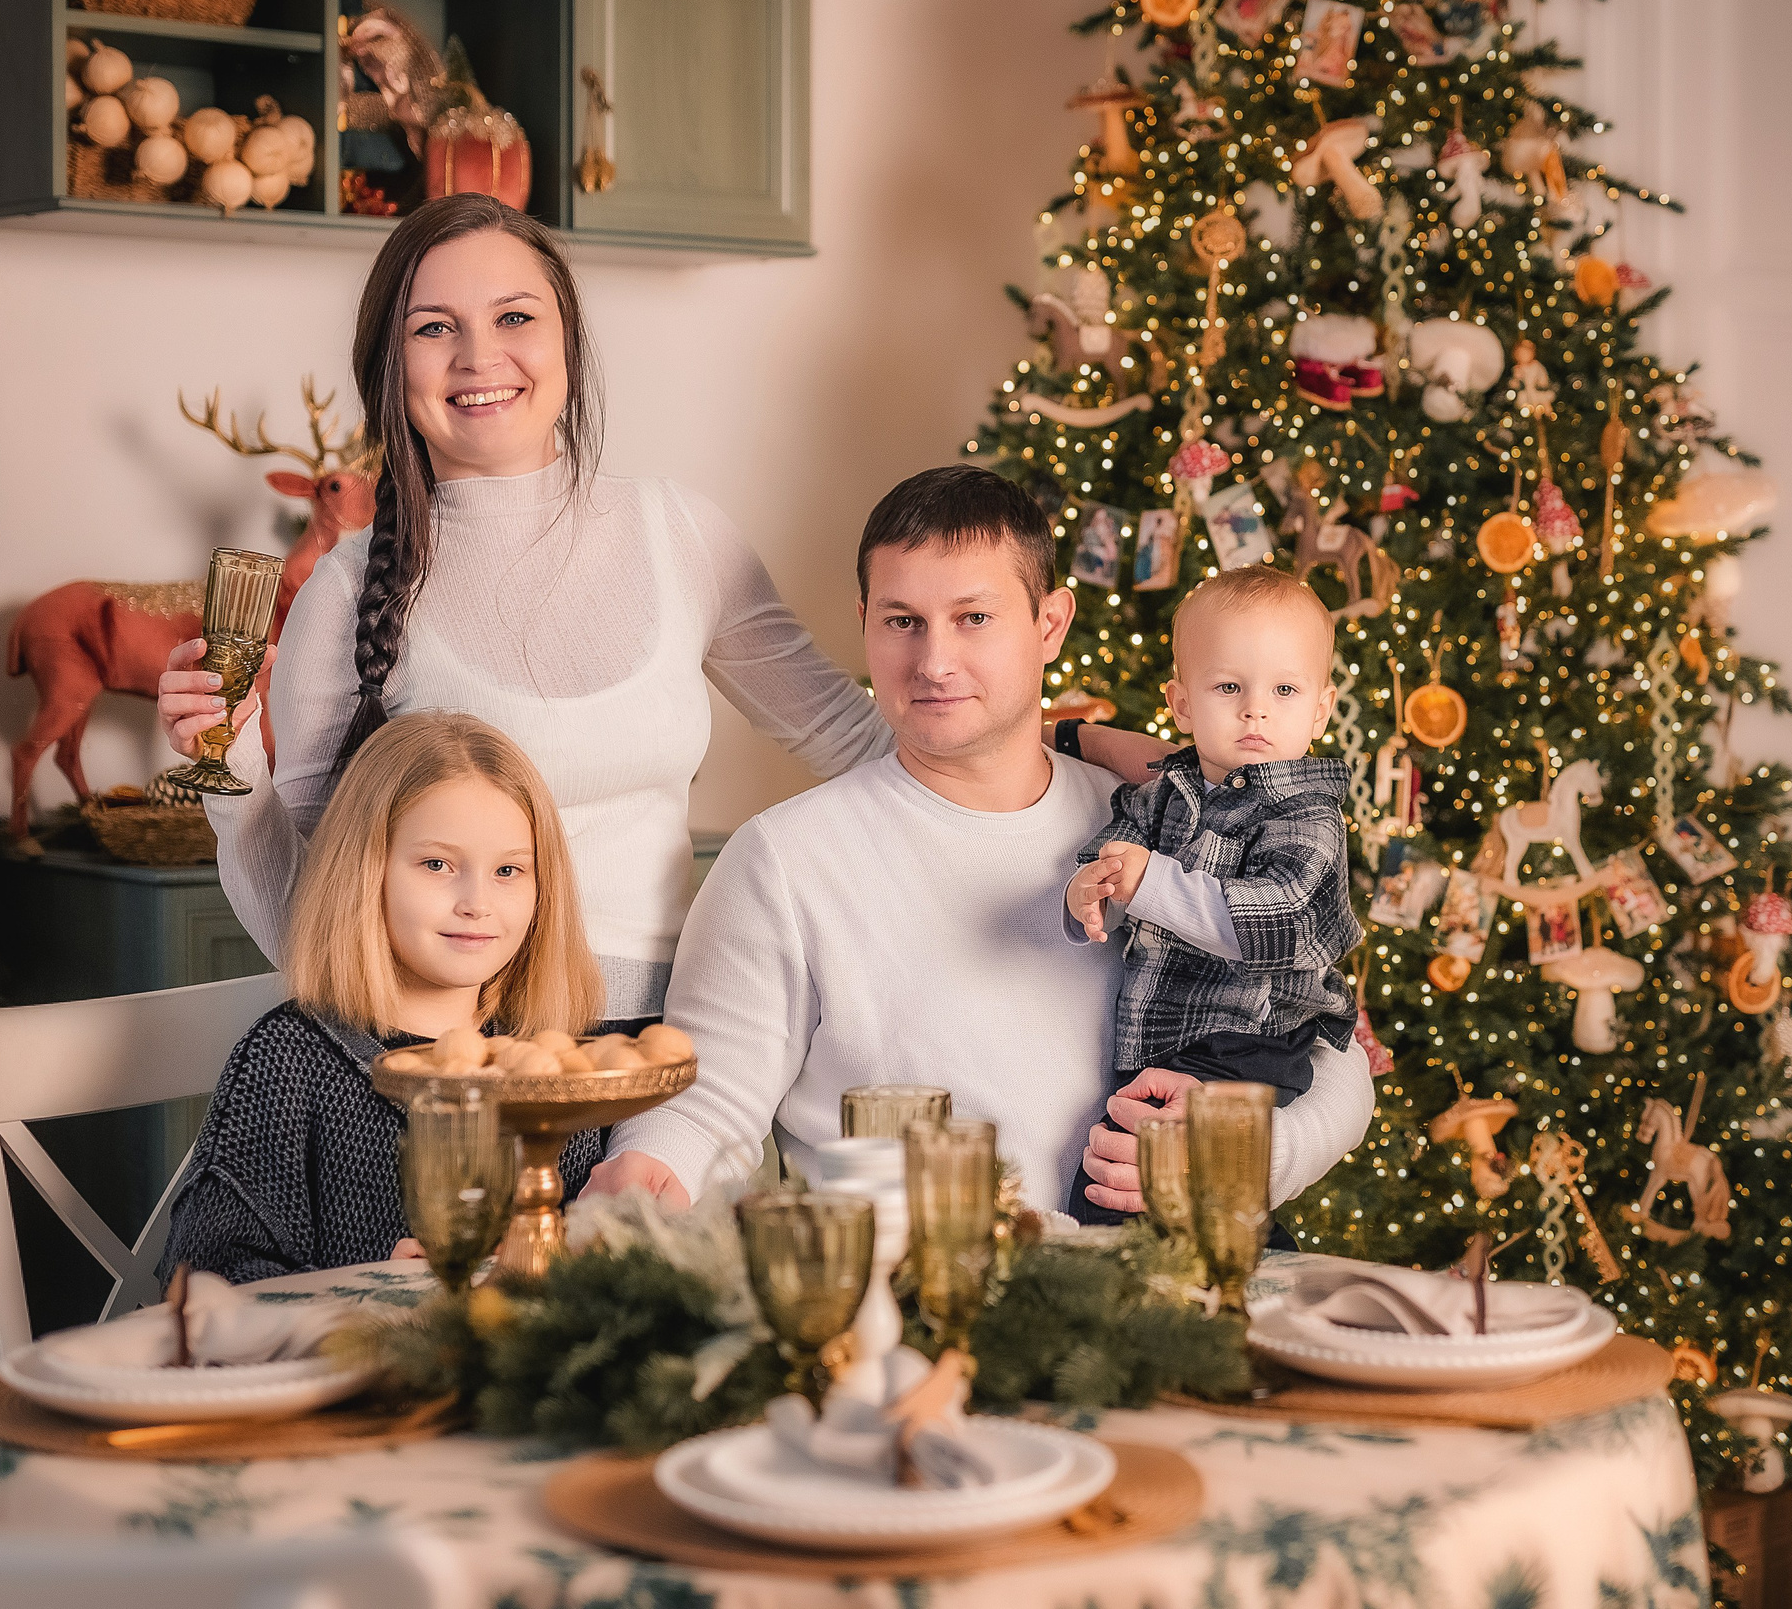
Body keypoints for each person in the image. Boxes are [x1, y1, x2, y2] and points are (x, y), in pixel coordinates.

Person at [156, 196, 1156, 1189]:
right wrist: (228, 776)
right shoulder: (346, 589)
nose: (478, 356)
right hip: (467, 1076)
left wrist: (1075, 751)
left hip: (676, 1070)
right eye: (433, 329)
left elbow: (868, 735)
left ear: (566, 339)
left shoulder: (676, 533)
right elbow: (319, 920)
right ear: (391, 362)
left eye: (514, 316)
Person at [588, 467, 1375, 1215]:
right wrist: (647, 1174)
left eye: (974, 618)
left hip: (1155, 1278)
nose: (934, 662)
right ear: (865, 623)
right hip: (914, 1285)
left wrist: (1252, 1154)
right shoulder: (784, 859)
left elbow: (1328, 1040)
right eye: (902, 621)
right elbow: (705, 1104)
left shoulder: (1158, 824)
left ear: (1050, 624)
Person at [162, 712, 600, 1285]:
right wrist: (365, 1290)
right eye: (437, 864)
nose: (477, 902)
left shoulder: (551, 1069)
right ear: (365, 873)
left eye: (508, 870)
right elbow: (204, 1279)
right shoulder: (284, 1061)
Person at [1060, 565, 1361, 1225]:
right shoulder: (1165, 793)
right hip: (1161, 1040)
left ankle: (1232, 1275)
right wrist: (1089, 891)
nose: (1255, 709)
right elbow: (1113, 857)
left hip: (1252, 1040)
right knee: (1134, 1188)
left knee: (1138, 1189)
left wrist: (1149, 881)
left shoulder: (1307, 815)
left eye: (1284, 689)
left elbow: (1274, 922)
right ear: (1182, 704)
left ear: (1320, 709)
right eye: (1229, 686)